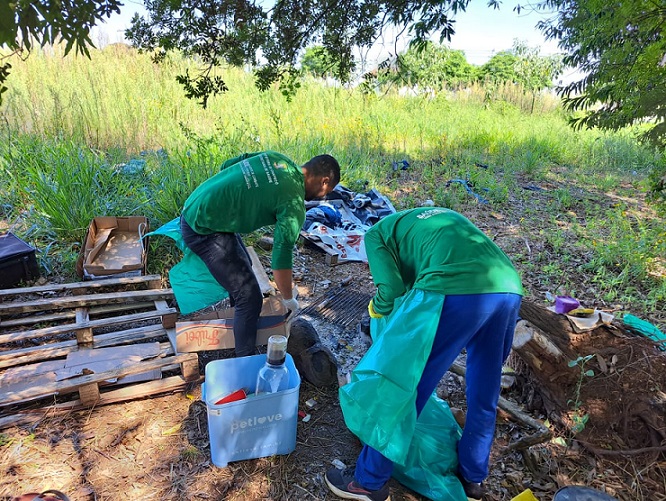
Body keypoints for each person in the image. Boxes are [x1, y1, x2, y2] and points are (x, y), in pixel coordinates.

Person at [325, 207, 523, 501]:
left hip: (454, 288)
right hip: (507, 288)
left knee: (405, 384)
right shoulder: (427, 221)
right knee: (485, 390)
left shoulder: (375, 235)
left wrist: (376, 311)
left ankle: (368, 481)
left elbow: (390, 290)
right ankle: (473, 479)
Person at [180, 151, 340, 357]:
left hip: (197, 202)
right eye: (327, 192)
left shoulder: (278, 159)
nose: (323, 196)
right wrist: (289, 299)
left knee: (243, 267)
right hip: (202, 227)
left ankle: (240, 330)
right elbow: (281, 257)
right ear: (324, 182)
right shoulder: (293, 204)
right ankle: (245, 361)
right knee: (249, 296)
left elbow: (229, 163)